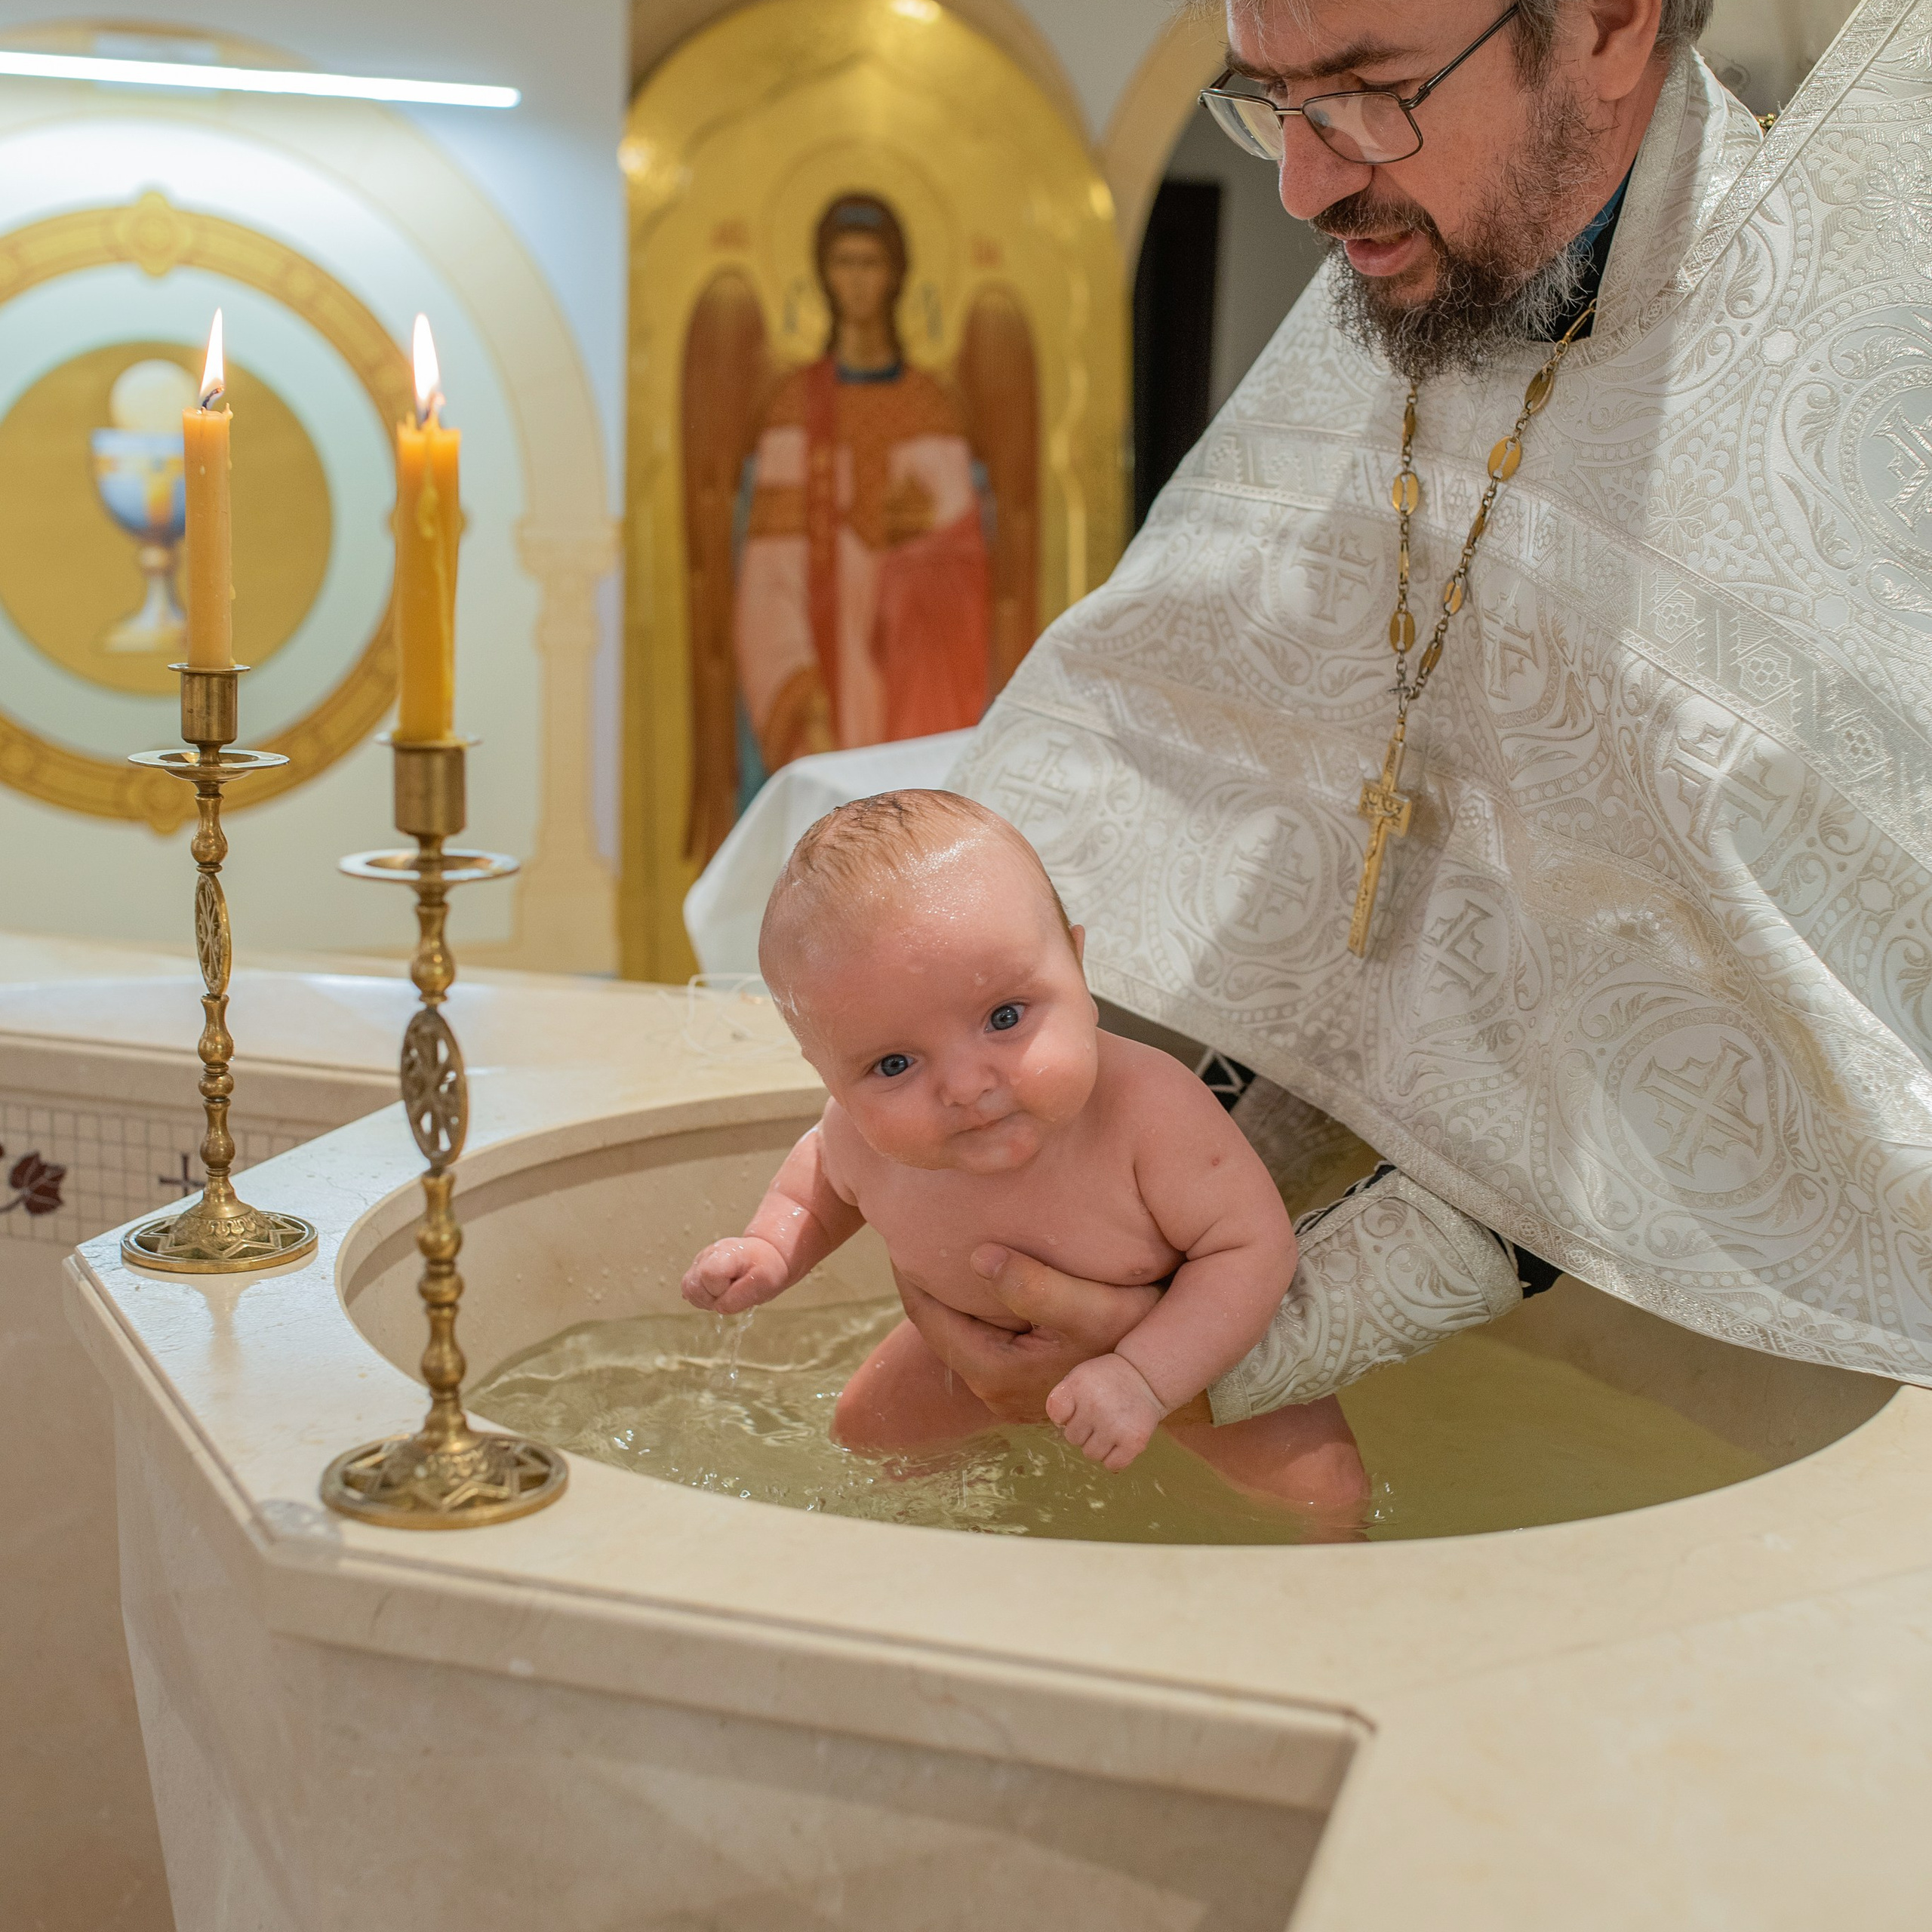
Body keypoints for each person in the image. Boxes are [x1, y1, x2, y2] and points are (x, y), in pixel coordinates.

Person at [937, 0, 1932, 1421]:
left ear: (1604, 24)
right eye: (1268, 99)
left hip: (1708, 1396)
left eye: (1363, 91)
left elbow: (1795, 985)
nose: (1302, 184)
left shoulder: (1859, 379)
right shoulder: (1419, 263)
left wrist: (1230, 1335)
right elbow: (1163, 729)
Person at [681, 790, 1370, 1513]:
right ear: (823, 1069)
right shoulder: (856, 1135)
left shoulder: (1148, 1108)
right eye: (893, 1065)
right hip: (962, 1349)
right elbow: (818, 1183)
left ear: (1077, 966)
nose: (967, 1086)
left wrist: (1145, 1377)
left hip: (1184, 1348)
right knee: (868, 1437)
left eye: (1004, 1017)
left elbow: (1252, 1251)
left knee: (1326, 1493)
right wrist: (769, 1249)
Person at [732, 195, 991, 782]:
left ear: (896, 274)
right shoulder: (794, 406)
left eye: (871, 263)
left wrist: (923, 547)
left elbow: (965, 566)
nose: (857, 280)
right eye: (844, 262)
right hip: (823, 658)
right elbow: (770, 570)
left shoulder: (931, 407)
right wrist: (802, 688)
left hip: (909, 668)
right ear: (823, 273)